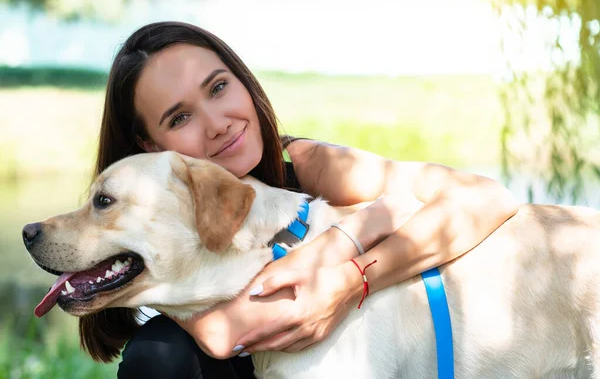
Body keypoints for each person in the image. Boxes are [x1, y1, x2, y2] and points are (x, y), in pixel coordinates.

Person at [89, 21, 519, 378]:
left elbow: (486, 198)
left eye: (218, 88)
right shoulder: (150, 229)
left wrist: (351, 280)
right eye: (180, 117)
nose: (217, 124)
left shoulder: (307, 164)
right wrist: (353, 232)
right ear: (149, 148)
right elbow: (222, 331)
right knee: (160, 355)